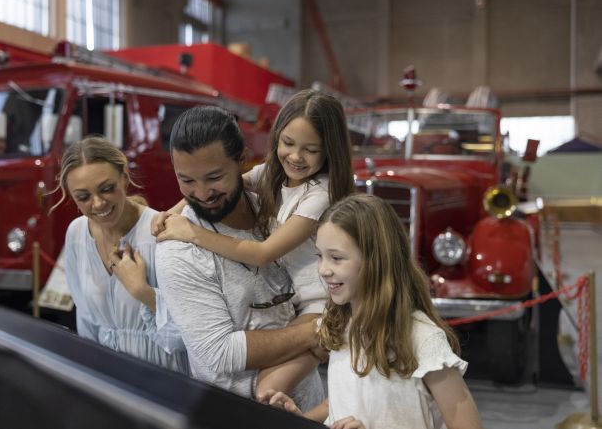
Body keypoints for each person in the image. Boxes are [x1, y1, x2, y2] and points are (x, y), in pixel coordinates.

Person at [153, 90, 354, 396]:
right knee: (269, 392)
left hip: (320, 302)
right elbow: (219, 353)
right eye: (187, 181)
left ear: (240, 162)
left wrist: (194, 232)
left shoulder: (307, 195)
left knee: (277, 388)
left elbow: (261, 253)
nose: (204, 193)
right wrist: (174, 211)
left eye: (215, 177)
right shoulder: (177, 249)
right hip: (237, 408)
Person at [260, 194, 483, 429]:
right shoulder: (338, 321)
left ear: (376, 260)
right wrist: (300, 420)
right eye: (320, 256)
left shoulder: (423, 339)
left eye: (336, 258)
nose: (324, 270)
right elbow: (347, 399)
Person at [51, 135, 189, 374]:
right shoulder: (76, 234)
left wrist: (143, 293)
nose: (97, 204)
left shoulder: (161, 233)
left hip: (163, 377)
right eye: (83, 197)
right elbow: (86, 323)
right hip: (106, 375)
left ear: (124, 178)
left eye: (107, 189)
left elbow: (189, 335)